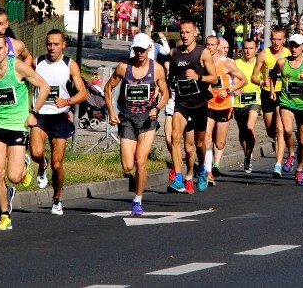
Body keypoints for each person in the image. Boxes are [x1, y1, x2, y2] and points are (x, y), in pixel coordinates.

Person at [0, 31, 50, 231]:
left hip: (16, 125)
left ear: (7, 48)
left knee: (14, 177)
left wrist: (34, 113)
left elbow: (44, 86)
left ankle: (25, 163)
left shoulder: (19, 68)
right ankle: (4, 216)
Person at [104, 33, 170, 215]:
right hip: (127, 118)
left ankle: (137, 200)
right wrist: (111, 112)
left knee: (141, 161)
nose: (139, 52)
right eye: (136, 49)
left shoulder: (156, 69)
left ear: (150, 48)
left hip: (148, 119)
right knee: (127, 166)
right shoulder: (124, 67)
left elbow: (166, 93)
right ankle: (137, 186)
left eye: (143, 49)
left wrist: (157, 107)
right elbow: (108, 87)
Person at [30, 29, 88, 216]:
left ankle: (57, 198)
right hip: (40, 115)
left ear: (63, 45)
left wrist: (67, 101)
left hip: (60, 116)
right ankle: (42, 164)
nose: (52, 48)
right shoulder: (37, 62)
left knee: (58, 164)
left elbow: (83, 93)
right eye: (49, 44)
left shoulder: (70, 65)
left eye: (56, 44)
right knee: (36, 153)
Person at [166, 21, 218, 193]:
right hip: (181, 102)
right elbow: (170, 77)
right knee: (174, 137)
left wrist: (198, 77)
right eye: (182, 32)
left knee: (199, 143)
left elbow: (215, 78)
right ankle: (179, 177)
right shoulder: (175, 53)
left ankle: (202, 168)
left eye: (188, 32)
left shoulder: (202, 53)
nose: (185, 35)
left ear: (195, 33)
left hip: (200, 103)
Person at [270, 34, 303, 184]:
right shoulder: (282, 62)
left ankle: (299, 170)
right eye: (292, 45)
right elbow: (272, 75)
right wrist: (273, 90)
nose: (294, 48)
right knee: (287, 131)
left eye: (297, 46)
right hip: (286, 102)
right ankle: (291, 154)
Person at [205, 37, 247, 185]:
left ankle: (213, 164)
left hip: (224, 105)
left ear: (217, 47)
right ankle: (208, 171)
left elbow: (243, 80)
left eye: (212, 45)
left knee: (220, 143)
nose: (210, 47)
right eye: (207, 45)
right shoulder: (203, 63)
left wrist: (229, 90)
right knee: (207, 138)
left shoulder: (226, 64)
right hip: (208, 104)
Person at [250, 27, 290, 174]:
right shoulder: (264, 54)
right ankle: (276, 140)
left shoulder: (288, 53)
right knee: (271, 131)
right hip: (267, 94)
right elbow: (253, 77)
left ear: (284, 40)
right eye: (273, 38)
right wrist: (261, 83)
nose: (276, 42)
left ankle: (278, 165)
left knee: (280, 129)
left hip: (283, 93)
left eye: (279, 39)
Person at [233, 38, 261, 173]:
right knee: (242, 131)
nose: (248, 51)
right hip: (239, 101)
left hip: (255, 100)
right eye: (246, 48)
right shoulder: (236, 63)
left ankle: (249, 155)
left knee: (250, 126)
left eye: (251, 48)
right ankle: (247, 155)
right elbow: (231, 80)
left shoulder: (259, 63)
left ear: (256, 50)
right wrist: (235, 88)